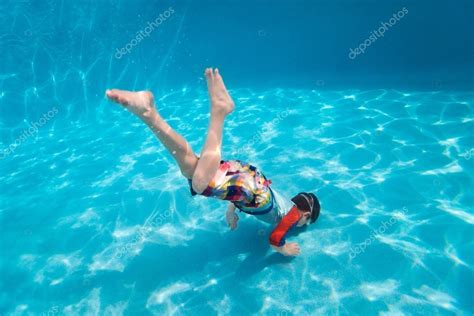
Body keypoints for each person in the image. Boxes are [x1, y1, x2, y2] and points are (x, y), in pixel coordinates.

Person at [105, 68, 321, 256]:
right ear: (306, 215)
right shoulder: (293, 214)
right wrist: (284, 249)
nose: (300, 224)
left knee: (190, 168)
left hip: (251, 180)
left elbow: (241, 195)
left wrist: (231, 211)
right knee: (200, 183)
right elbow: (275, 238)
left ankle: (148, 113)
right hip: (254, 189)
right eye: (305, 223)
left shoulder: (282, 202)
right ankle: (219, 110)